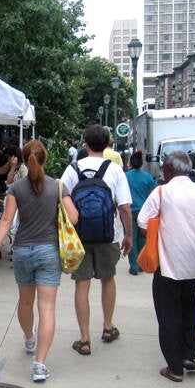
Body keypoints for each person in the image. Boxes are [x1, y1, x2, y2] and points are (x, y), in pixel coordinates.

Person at [0, 140, 78, 383]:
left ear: (24, 160)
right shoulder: (58, 186)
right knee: (46, 308)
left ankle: (29, 338)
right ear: (45, 159)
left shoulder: (16, 188)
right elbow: (75, 217)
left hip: (24, 251)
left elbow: (6, 221)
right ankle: (39, 365)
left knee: (25, 301)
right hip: (49, 251)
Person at [138, 151, 195, 383]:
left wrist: (159, 233)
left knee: (169, 315)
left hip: (168, 266)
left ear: (167, 169)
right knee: (189, 307)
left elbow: (142, 222)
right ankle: (188, 355)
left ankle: (174, 367)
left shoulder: (162, 192)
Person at [61, 124, 132, 356]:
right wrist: (129, 235)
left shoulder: (72, 169)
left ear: (86, 144)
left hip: (79, 236)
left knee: (82, 284)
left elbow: (61, 199)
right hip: (108, 234)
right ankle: (108, 327)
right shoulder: (115, 170)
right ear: (107, 145)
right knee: (108, 278)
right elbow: (124, 207)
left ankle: (84, 339)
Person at [124, 150, 157, 275]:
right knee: (142, 238)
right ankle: (142, 263)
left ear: (130, 163)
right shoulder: (147, 177)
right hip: (144, 212)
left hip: (129, 211)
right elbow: (154, 192)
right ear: (142, 164)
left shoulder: (125, 176)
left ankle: (134, 266)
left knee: (131, 237)